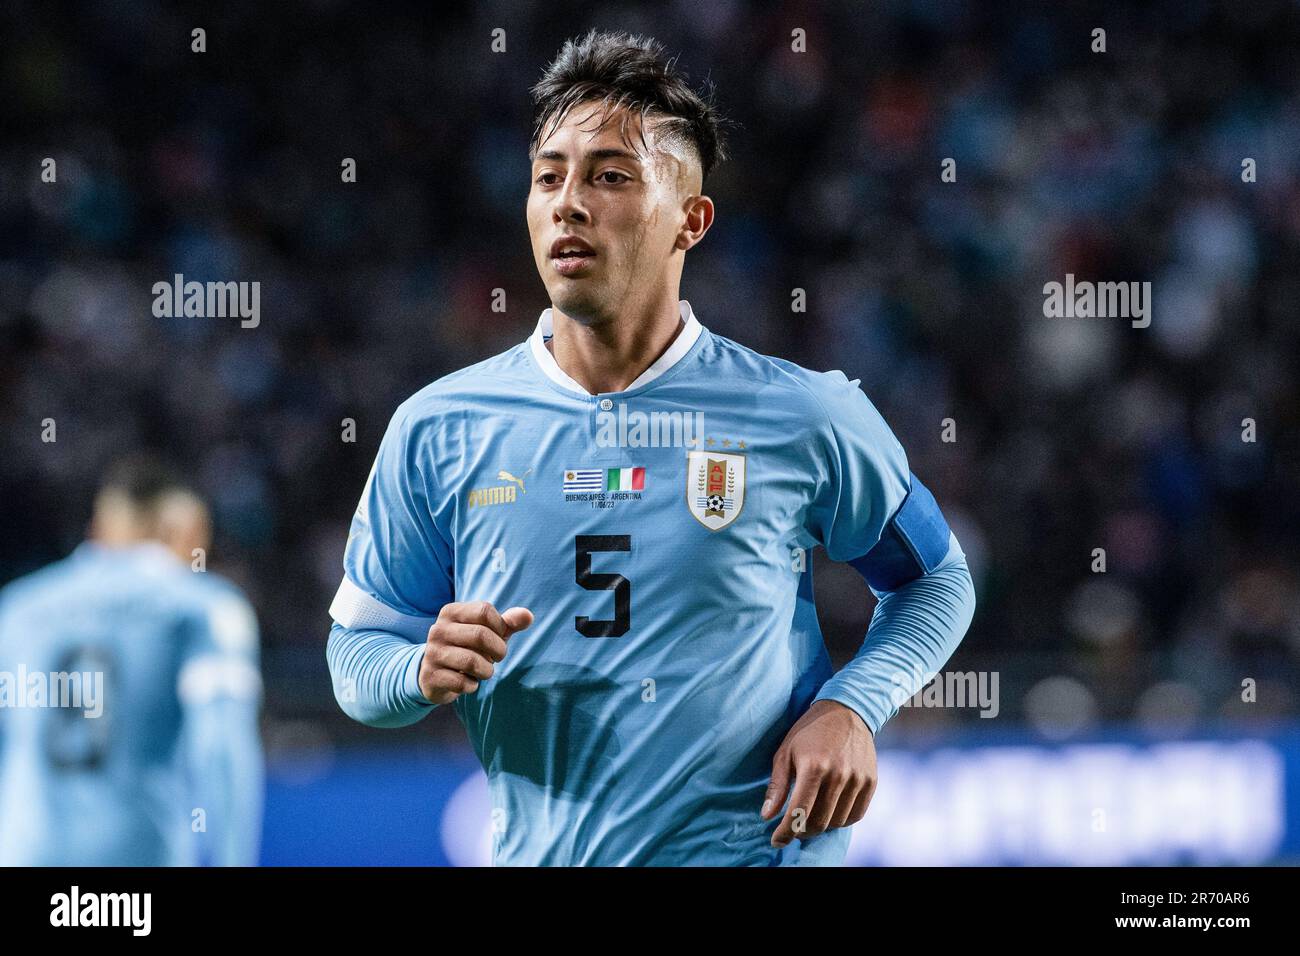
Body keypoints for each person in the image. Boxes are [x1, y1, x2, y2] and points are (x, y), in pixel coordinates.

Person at [327, 29, 975, 865]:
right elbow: (355, 657)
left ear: (690, 221)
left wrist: (852, 706)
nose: (568, 202)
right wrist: (415, 672)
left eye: (610, 176)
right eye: (549, 175)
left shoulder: (804, 414)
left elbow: (935, 580)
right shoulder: (439, 428)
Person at [0, 455, 264, 866]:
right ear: (181, 528)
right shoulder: (201, 608)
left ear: (101, 525)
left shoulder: (17, 609)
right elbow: (221, 750)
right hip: (138, 858)